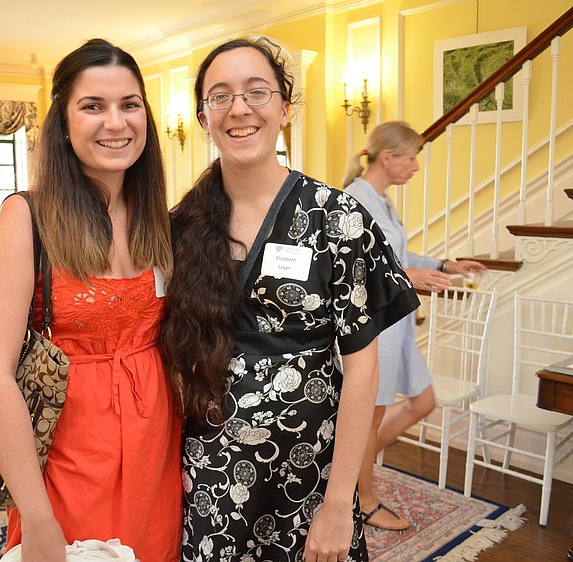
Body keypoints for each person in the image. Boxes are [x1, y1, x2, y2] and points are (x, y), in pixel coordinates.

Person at [160, 38, 420, 562]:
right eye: (220, 96)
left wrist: (339, 504)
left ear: (283, 108)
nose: (239, 108)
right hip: (209, 476)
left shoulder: (337, 219)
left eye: (256, 92)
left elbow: (362, 370)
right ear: (204, 116)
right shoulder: (180, 227)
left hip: (308, 476)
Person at [0, 39, 181, 562]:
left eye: (130, 104)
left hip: (157, 450)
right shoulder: (27, 217)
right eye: (93, 106)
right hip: (68, 455)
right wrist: (37, 514)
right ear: (63, 124)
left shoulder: (158, 217)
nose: (116, 122)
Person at [342, 120, 487, 531]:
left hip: (397, 323)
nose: (416, 167)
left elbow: (394, 254)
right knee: (370, 417)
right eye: (412, 157)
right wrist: (408, 275)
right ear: (388, 157)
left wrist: (445, 265)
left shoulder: (382, 201)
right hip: (374, 325)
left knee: (422, 402)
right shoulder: (355, 201)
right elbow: (356, 267)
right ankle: (364, 500)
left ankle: (349, 467)